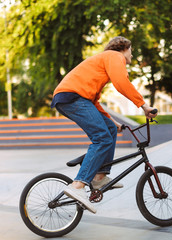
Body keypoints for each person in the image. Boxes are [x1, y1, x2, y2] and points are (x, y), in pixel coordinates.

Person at [51, 36, 157, 213]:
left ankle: (99, 177)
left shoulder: (103, 63)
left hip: (73, 98)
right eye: (131, 50)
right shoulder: (115, 56)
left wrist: (113, 122)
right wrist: (144, 105)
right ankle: (78, 185)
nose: (132, 54)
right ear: (124, 48)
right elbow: (122, 83)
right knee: (102, 139)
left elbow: (94, 101)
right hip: (72, 97)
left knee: (109, 130)